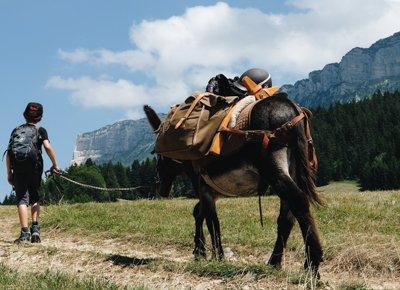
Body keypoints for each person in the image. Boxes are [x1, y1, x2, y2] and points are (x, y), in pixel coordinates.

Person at [6, 102, 60, 243]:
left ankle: (24, 234)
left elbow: (9, 153)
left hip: (18, 168)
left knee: (22, 199)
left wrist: (9, 173)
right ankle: (35, 229)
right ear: (40, 117)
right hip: (35, 167)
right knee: (35, 197)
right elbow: (47, 147)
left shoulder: (16, 130)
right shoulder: (40, 130)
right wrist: (55, 165)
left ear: (25, 114)